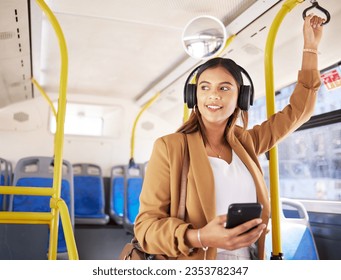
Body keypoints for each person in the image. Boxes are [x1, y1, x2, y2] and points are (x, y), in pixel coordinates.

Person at [134, 14, 324, 260]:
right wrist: (201, 236)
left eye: (224, 88)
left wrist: (311, 47)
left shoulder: (248, 143)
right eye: (205, 87)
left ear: (240, 99)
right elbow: (145, 229)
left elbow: (300, 111)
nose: (213, 95)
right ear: (194, 97)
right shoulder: (170, 147)